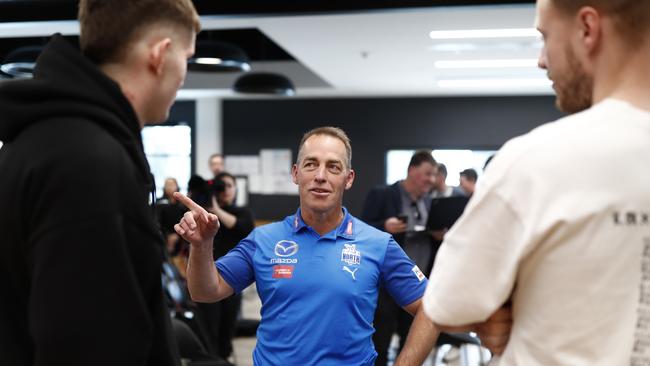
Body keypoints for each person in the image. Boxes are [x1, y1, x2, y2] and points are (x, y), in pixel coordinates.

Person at [422, 0, 650, 365]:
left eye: (545, 37)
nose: (541, 60)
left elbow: (446, 302)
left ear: (587, 29)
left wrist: (513, 301)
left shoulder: (536, 159)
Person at [173, 127, 510, 365]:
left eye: (333, 167)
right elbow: (205, 291)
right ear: (296, 174)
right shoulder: (264, 240)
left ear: (348, 178)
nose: (321, 175)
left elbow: (431, 308)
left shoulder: (377, 244)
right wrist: (202, 247)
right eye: (311, 164)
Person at [0, 1, 200, 365]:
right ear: (160, 54)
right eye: (187, 56)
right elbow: (86, 345)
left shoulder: (44, 141)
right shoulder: (88, 164)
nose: (185, 73)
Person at [361, 150, 438, 365]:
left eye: (434, 175)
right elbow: (361, 230)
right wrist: (384, 226)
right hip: (386, 285)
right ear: (411, 171)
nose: (431, 179)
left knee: (411, 341)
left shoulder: (429, 202)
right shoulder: (384, 194)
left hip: (418, 282)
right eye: (427, 173)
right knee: (380, 343)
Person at [199, 172, 255, 361]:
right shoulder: (206, 213)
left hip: (233, 277)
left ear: (235, 189)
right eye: (222, 187)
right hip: (208, 274)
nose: (226, 191)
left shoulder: (242, 212)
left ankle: (223, 357)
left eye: (230, 186)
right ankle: (211, 358)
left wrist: (216, 209)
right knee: (208, 325)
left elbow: (241, 227)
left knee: (228, 325)